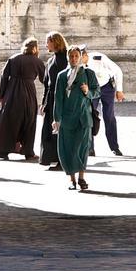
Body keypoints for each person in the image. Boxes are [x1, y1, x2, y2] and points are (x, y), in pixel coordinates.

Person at [0, 37, 45, 161]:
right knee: (29, 121)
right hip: (29, 93)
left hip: (12, 93)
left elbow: (4, 77)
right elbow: (45, 79)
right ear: (35, 48)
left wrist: (2, 95)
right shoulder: (37, 61)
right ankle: (28, 151)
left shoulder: (13, 59)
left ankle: (3, 151)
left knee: (9, 121)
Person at [53, 45, 101, 190]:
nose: (74, 59)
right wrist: (56, 119)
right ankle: (72, 179)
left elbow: (97, 91)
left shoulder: (88, 73)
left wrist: (88, 91)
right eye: (71, 56)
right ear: (68, 57)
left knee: (82, 149)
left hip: (83, 118)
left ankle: (81, 178)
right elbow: (58, 99)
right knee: (68, 149)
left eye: (76, 56)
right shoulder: (62, 76)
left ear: (80, 57)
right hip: (67, 118)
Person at [79, 45, 125, 156]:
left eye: (80, 58)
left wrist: (119, 90)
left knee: (109, 116)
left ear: (85, 55)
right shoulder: (78, 65)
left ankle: (114, 147)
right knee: (89, 116)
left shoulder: (98, 58)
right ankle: (90, 148)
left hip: (106, 87)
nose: (77, 60)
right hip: (91, 90)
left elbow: (118, 71)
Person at [39, 31, 68, 170]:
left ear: (55, 42)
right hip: (51, 99)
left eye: (48, 42)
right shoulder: (51, 60)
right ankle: (53, 158)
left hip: (62, 98)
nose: (46, 45)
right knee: (49, 130)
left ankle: (62, 160)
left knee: (60, 129)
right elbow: (47, 83)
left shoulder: (66, 58)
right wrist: (43, 102)